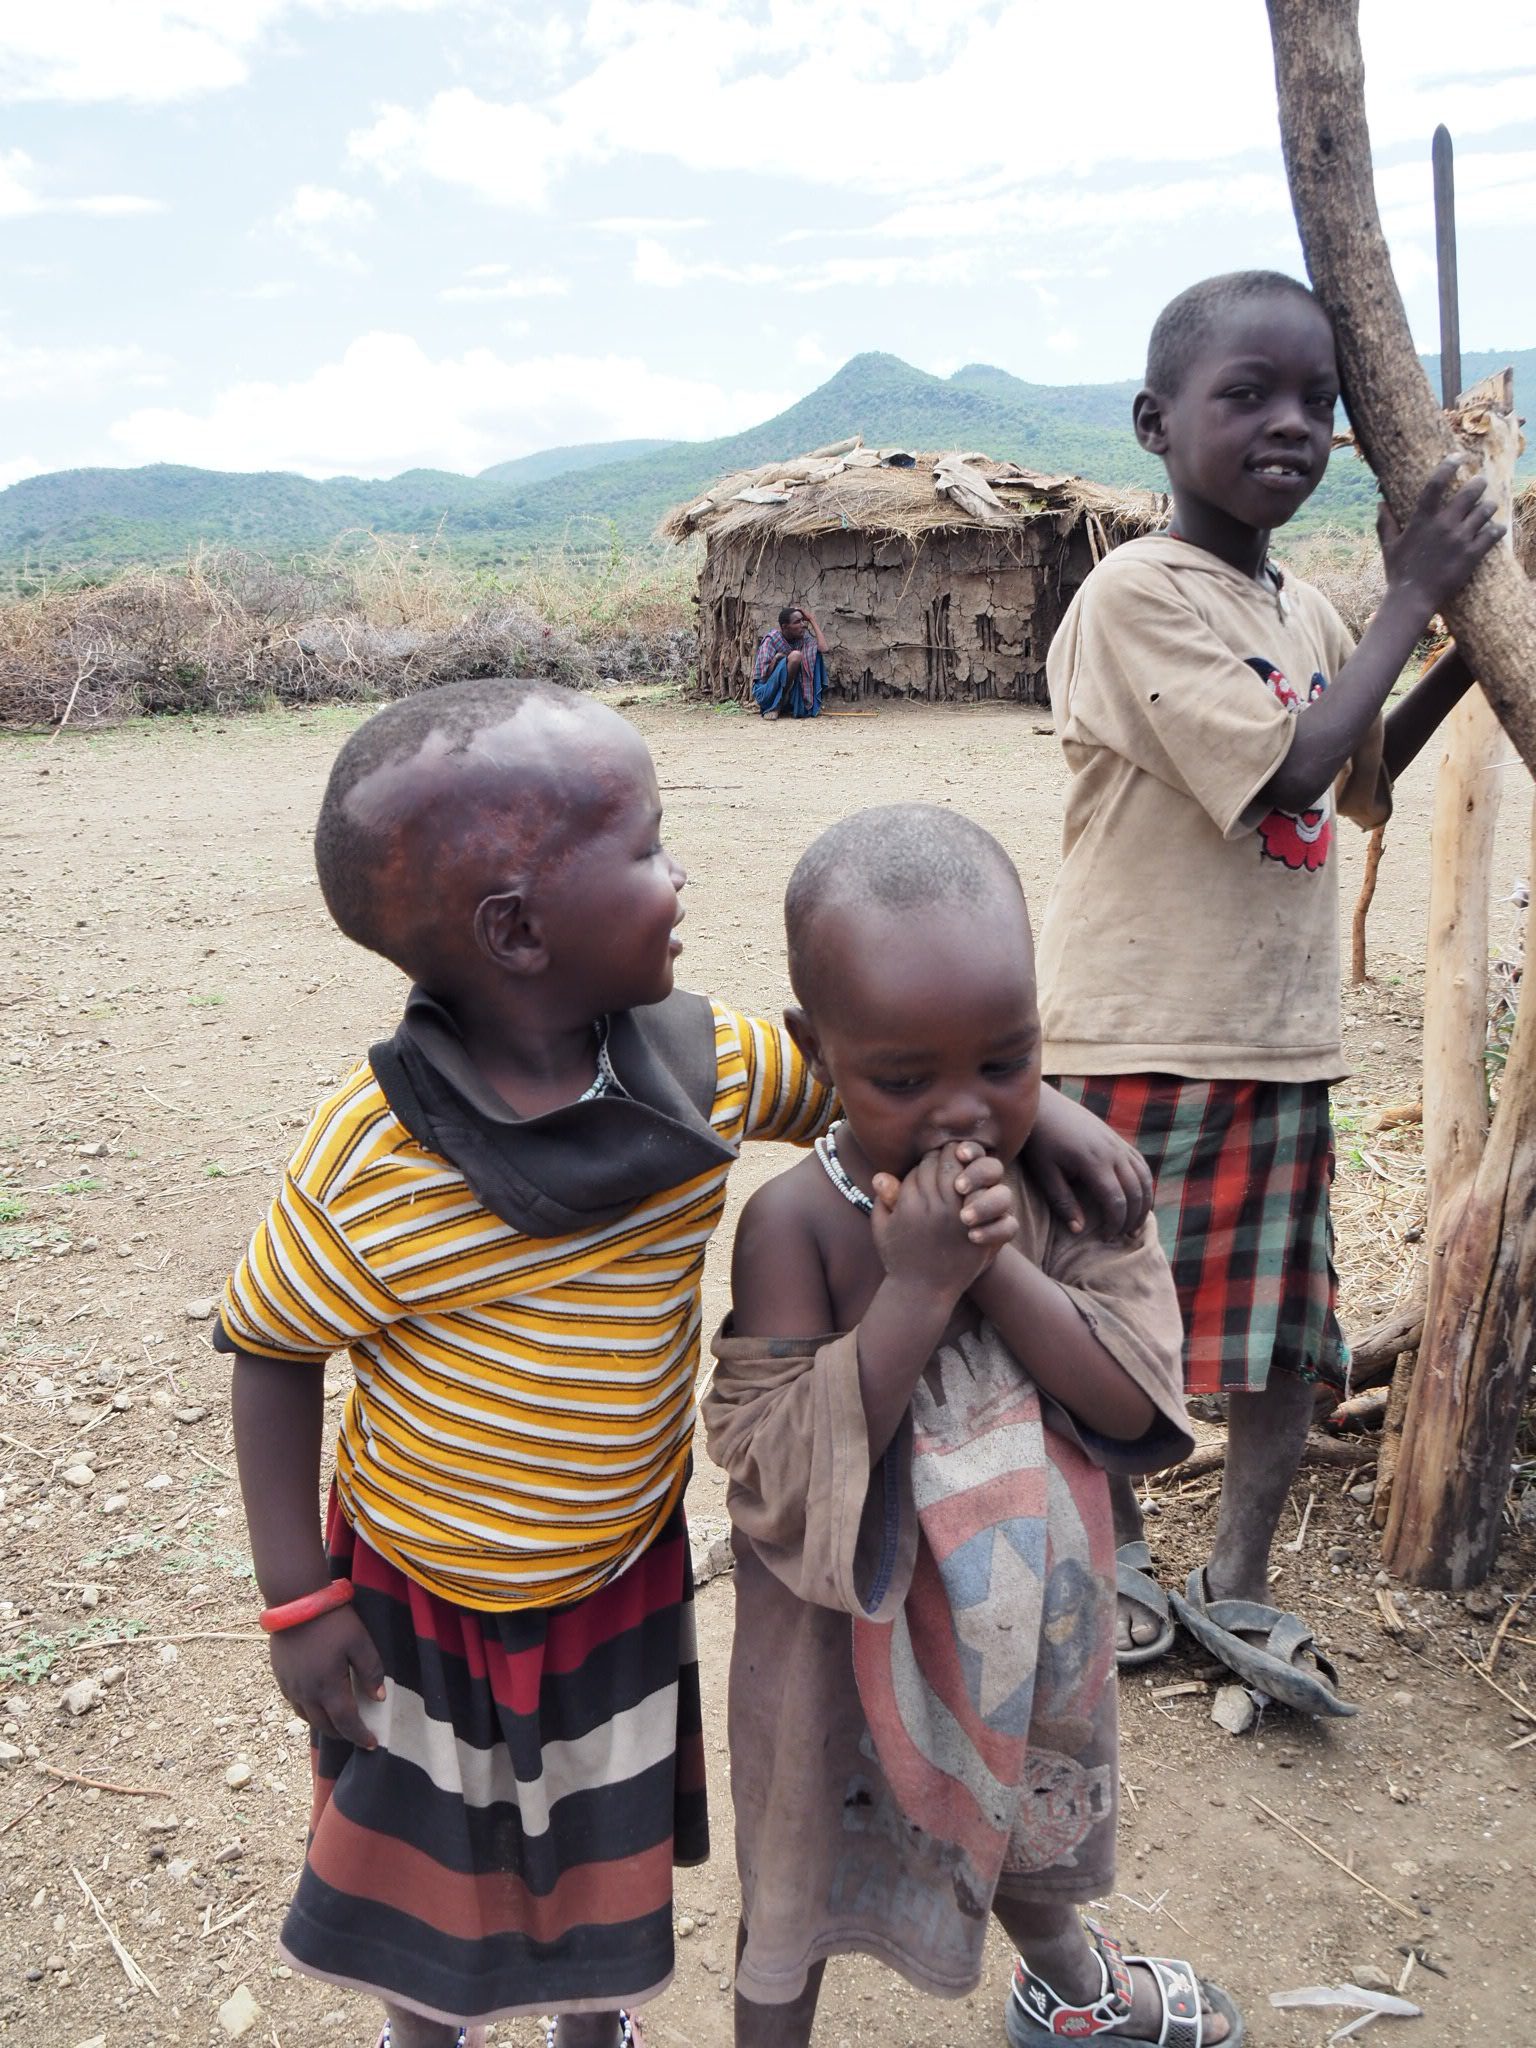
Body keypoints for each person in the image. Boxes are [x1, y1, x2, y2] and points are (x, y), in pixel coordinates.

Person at [217, 679, 1160, 2048]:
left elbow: (880, 1072)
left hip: (616, 1580)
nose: (681, 877)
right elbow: (268, 1346)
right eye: (649, 847)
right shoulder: (374, 1154)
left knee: (603, 1859)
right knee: (429, 1883)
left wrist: (1046, 1107)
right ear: (519, 931)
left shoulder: (697, 1064)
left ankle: (593, 2027)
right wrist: (297, 1600)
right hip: (423, 1591)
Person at [1036, 270, 1505, 1714]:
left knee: (1281, 1335)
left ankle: (1234, 1573)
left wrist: (1467, 638)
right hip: (1136, 1027)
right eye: (1248, 396)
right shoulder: (1138, 593)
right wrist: (1413, 592)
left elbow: (1355, 775)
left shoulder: (1300, 605)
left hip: (1278, 1038)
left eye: (1317, 400)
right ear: (1156, 424)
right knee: (1108, 1315)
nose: (1291, 424)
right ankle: (1116, 1548)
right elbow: (1289, 772)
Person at [705, 804, 1241, 2048]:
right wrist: (916, 1288)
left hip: (1028, 1628)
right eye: (905, 1080)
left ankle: (1074, 1989)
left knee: (1024, 1834)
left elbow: (1130, 1398)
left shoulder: (1072, 1183)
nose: (964, 1113)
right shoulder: (795, 1226)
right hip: (832, 1652)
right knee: (792, 1886)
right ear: (817, 1051)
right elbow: (775, 1470)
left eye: (1006, 1062)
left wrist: (990, 1264)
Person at [752, 603, 826, 719]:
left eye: (803, 621)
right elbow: (764, 677)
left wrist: (811, 619)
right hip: (767, 693)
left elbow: (823, 648)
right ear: (785, 627)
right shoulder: (772, 640)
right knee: (796, 656)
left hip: (791, 694)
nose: (803, 625)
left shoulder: (802, 639)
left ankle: (788, 703)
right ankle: (777, 705)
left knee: (815, 656)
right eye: (797, 622)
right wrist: (777, 659)